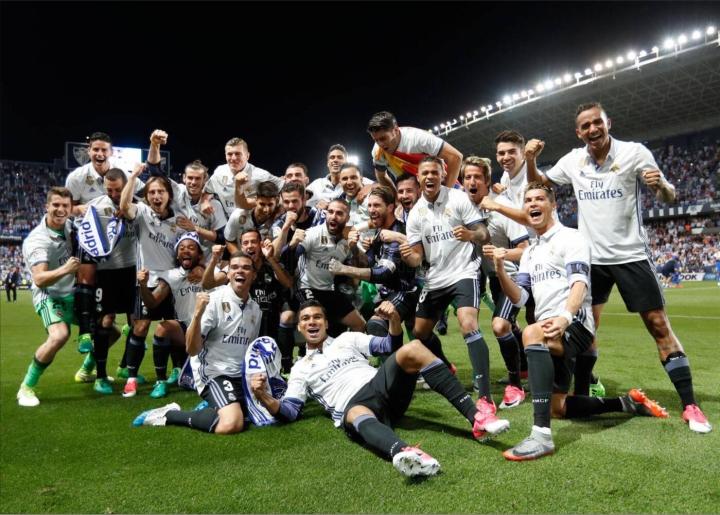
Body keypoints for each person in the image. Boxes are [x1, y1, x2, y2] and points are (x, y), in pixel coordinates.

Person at [522, 102, 711, 434]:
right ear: (578, 132)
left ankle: (690, 405)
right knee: (585, 331)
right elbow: (540, 184)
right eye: (585, 126)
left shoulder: (634, 153)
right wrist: (531, 160)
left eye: (597, 122)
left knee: (659, 325)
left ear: (608, 122)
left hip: (630, 255)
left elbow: (669, 197)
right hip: (592, 259)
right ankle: (580, 393)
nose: (592, 129)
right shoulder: (573, 160)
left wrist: (660, 186)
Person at [494, 182, 670, 460]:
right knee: (558, 408)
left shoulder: (571, 238)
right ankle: (627, 403)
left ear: (553, 205)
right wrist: (501, 271)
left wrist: (565, 317)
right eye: (528, 200)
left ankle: (541, 437)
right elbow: (520, 297)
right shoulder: (529, 253)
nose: (533, 204)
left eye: (540, 199)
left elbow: (580, 284)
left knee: (530, 333)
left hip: (575, 323)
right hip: (550, 328)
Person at [249, 300, 508, 477]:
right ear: (300, 327)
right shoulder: (300, 369)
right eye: (306, 319)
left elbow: (389, 346)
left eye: (317, 317)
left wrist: (394, 319)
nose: (312, 322)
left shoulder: (347, 339)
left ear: (326, 323)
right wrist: (262, 395)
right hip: (355, 405)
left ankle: (477, 418)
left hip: (382, 386)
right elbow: (289, 411)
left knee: (414, 348)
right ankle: (407, 453)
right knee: (354, 413)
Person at [400, 157, 500, 409]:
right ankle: (445, 366)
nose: (430, 177)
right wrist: (409, 257)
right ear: (418, 177)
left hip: (464, 271)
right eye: (425, 173)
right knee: (420, 332)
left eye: (434, 172)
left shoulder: (458, 198)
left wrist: (470, 234)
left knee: (468, 324)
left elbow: (484, 233)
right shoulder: (415, 214)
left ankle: (485, 397)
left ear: (443, 175)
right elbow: (417, 257)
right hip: (435, 278)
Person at [133, 252, 261, 435]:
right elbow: (192, 349)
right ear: (228, 273)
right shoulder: (214, 301)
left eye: (246, 268)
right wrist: (197, 315)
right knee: (232, 424)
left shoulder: (255, 309)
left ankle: (213, 406)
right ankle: (168, 414)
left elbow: (249, 350)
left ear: (254, 275)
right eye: (234, 267)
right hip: (214, 373)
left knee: (261, 413)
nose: (240, 271)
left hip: (239, 375)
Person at [64, 132, 144, 358]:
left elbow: (144, 195)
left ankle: (131, 338)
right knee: (87, 276)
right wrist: (81, 209)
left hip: (122, 240)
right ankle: (84, 332)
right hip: (90, 235)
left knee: (125, 299)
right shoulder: (77, 177)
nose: (99, 154)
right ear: (88, 150)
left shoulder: (123, 173)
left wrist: (127, 204)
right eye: (95, 149)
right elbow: (68, 208)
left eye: (103, 150)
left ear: (111, 151)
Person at [119, 164, 195, 398]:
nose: (155, 196)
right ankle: (131, 378)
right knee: (141, 327)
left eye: (160, 191)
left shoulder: (180, 219)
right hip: (147, 280)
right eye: (151, 192)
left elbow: (190, 248)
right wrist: (133, 177)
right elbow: (124, 206)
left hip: (172, 282)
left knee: (171, 326)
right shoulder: (142, 212)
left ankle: (176, 370)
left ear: (168, 195)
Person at [462, 156, 530, 407]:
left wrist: (502, 254)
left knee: (500, 326)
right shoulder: (464, 207)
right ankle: (524, 368)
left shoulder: (501, 208)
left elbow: (526, 250)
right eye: (467, 177)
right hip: (493, 278)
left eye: (477, 177)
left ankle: (515, 385)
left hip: (514, 276)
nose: (472, 182)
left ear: (488, 180)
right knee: (511, 326)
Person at [17, 187, 81, 407]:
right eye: (56, 205)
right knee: (59, 336)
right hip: (49, 295)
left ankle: (87, 371)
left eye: (65, 205)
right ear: (46, 206)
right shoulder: (38, 240)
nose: (60, 209)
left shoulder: (71, 227)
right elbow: (39, 279)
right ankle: (26, 387)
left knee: (108, 331)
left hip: (72, 293)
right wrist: (66, 269)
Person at [76, 168, 138, 393]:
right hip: (106, 273)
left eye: (118, 190)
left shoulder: (138, 206)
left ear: (126, 186)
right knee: (106, 320)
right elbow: (81, 229)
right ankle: (100, 376)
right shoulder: (96, 207)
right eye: (109, 190)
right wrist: (76, 209)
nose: (113, 194)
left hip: (132, 271)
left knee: (136, 322)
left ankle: (127, 369)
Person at [136, 232, 205, 399]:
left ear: (199, 254)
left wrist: (204, 268)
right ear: (177, 255)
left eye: (191, 247)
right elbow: (152, 303)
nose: (186, 251)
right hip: (187, 330)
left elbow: (224, 274)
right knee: (162, 328)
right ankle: (161, 381)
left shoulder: (209, 272)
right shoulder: (171, 275)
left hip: (210, 331)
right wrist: (143, 285)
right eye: (181, 248)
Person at [295, 199, 366, 335]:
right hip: (306, 288)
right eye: (330, 212)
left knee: (360, 324)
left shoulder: (348, 239)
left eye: (339, 213)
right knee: (318, 324)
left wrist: (354, 248)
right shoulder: (313, 233)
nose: (333, 216)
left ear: (347, 218)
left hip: (328, 290)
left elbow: (361, 266)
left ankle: (350, 349)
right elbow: (292, 256)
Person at [367, 111, 463, 189]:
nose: (380, 144)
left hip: (441, 185)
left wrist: (446, 193)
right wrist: (395, 197)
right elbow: (381, 176)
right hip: (414, 194)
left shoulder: (419, 138)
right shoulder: (377, 151)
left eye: (383, 138)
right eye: (376, 140)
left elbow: (456, 157)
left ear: (395, 130)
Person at [203, 137, 283, 218]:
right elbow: (207, 191)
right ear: (225, 155)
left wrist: (278, 210)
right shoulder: (219, 172)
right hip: (228, 220)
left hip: (254, 221)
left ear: (247, 156)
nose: (233, 158)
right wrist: (205, 202)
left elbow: (284, 187)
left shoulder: (260, 175)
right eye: (229, 154)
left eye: (238, 154)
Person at [224, 181, 279, 251]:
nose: (266, 210)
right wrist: (240, 256)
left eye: (270, 205)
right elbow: (229, 241)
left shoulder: (279, 219)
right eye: (262, 204)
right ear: (256, 200)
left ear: (276, 202)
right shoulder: (238, 215)